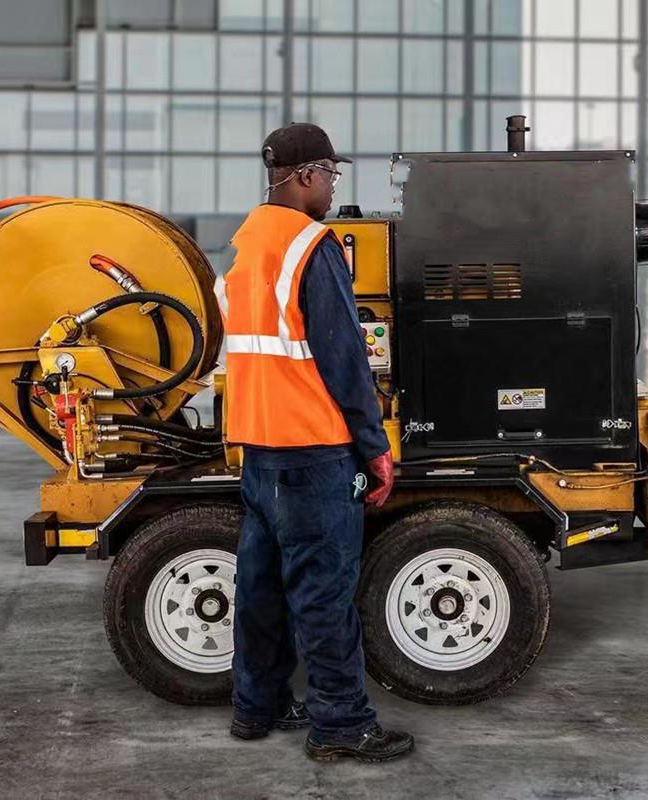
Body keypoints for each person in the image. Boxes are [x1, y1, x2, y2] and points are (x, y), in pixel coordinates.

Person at [214, 122, 413, 763]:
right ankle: (341, 725)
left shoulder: (246, 243)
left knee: (263, 588)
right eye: (330, 174)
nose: (332, 188)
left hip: (259, 450)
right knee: (324, 594)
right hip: (313, 450)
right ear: (304, 176)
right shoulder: (310, 244)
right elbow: (343, 354)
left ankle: (257, 706)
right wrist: (374, 443)